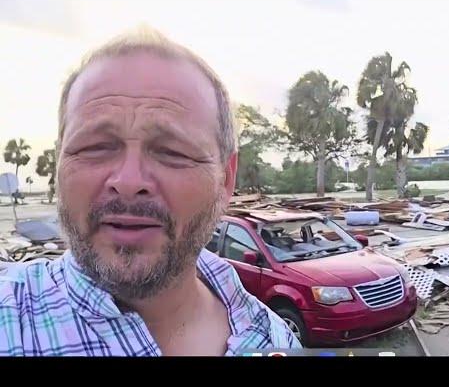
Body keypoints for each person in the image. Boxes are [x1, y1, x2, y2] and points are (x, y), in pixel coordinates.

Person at [0, 26, 301, 356]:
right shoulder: (9, 318)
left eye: (172, 152)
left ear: (225, 180)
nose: (128, 181)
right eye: (96, 147)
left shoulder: (275, 340)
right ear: (59, 164)